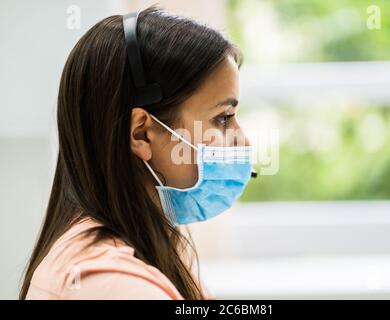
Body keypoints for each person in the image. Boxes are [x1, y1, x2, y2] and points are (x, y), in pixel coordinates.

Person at [20, 4, 253, 300]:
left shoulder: (147, 251)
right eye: (222, 118)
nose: (243, 142)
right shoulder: (111, 284)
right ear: (141, 132)